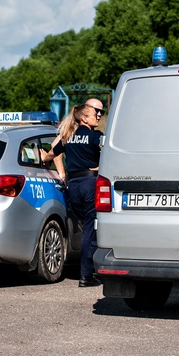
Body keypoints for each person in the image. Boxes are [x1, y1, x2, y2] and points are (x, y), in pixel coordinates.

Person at [43, 99, 105, 287]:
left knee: (85, 227)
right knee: (90, 230)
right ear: (84, 118)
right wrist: (99, 168)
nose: (98, 117)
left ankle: (87, 269)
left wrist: (43, 157)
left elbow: (51, 154)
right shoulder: (95, 136)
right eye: (95, 114)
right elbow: (110, 152)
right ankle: (86, 275)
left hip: (73, 186)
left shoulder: (68, 136)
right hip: (89, 184)